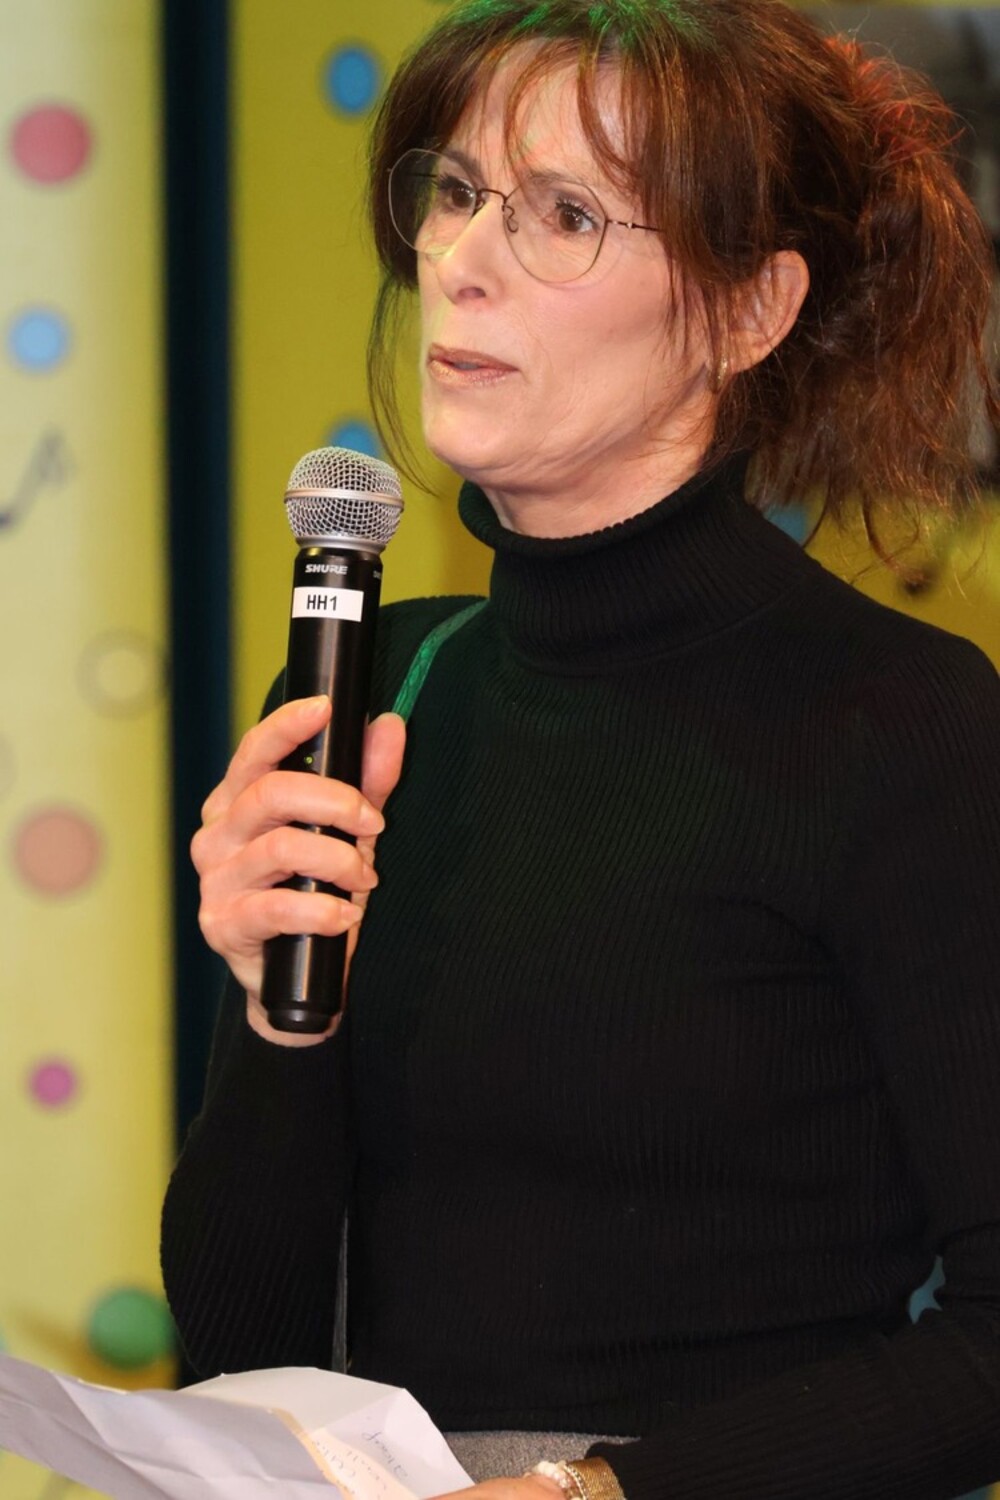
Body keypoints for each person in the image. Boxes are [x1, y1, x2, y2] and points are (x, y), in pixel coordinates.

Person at [161, 1, 1000, 1496]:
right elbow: (243, 1352)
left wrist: (602, 1494)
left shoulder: (899, 719)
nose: (462, 259)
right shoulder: (385, 681)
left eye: (562, 214)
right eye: (457, 191)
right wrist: (278, 1022)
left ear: (748, 311)